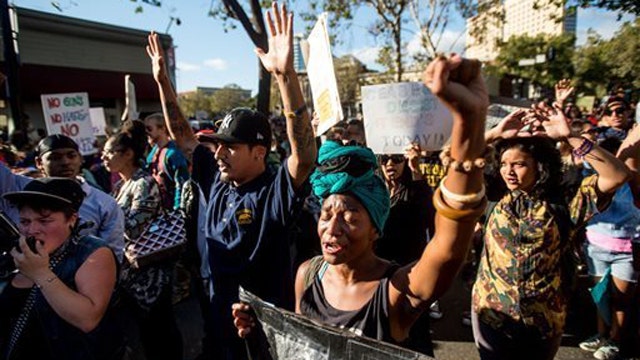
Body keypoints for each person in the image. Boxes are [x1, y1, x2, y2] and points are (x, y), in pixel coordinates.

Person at [232, 54, 489, 355]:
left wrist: (470, 124)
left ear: (375, 230)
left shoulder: (396, 291)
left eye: (351, 217)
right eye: (326, 215)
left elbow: (448, 246)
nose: (333, 229)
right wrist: (263, 330)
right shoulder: (307, 275)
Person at [146, 3, 317, 357]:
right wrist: (163, 82)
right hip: (213, 316)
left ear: (259, 151)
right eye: (218, 146)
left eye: (230, 147)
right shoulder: (215, 177)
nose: (219, 154)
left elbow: (303, 157)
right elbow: (183, 136)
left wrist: (286, 77)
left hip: (259, 334)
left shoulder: (274, 192)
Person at [475, 103, 630, 360]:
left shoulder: (565, 202)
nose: (508, 171)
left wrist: (570, 136)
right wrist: (494, 134)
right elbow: (454, 160)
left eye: (519, 164)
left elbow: (617, 175)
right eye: (504, 163)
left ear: (540, 166)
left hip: (543, 321)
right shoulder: (494, 193)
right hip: (490, 315)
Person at [0, 177, 122, 360]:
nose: (32, 230)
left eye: (44, 221)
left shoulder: (91, 253)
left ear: (71, 219)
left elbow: (87, 319)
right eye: (25, 222)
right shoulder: (15, 254)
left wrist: (40, 274)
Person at [101, 121, 183, 360]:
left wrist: (105, 220)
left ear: (128, 154)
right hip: (131, 275)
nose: (103, 157)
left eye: (109, 152)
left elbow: (133, 227)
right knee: (147, 335)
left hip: (151, 275)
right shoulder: (120, 185)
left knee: (160, 332)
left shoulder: (144, 184)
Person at [0, 134, 125, 262]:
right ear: (39, 162)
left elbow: (112, 256)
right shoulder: (17, 189)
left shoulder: (105, 204)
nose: (65, 162)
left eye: (71, 155)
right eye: (55, 158)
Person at [578, 126, 640, 360]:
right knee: (600, 295)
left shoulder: (634, 181)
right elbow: (578, 154)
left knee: (620, 301)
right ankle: (601, 334)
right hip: (596, 246)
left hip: (627, 249)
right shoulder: (592, 178)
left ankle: (616, 339)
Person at [144, 112, 190, 210]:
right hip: (157, 209)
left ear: (162, 129)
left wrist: (178, 209)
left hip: (172, 210)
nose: (146, 133)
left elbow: (181, 184)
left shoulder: (173, 153)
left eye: (149, 129)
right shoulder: (153, 153)